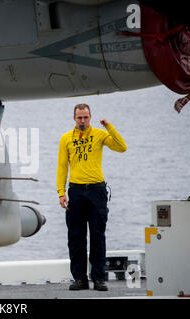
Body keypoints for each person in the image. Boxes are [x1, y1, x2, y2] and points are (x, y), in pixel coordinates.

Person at [56, 103, 127, 291]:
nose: (82, 121)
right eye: (79, 117)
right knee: (76, 237)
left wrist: (108, 126)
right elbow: (62, 166)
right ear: (74, 118)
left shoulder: (99, 134)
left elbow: (122, 147)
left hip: (97, 191)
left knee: (97, 235)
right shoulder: (66, 139)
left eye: (86, 117)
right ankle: (79, 279)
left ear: (90, 117)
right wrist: (61, 192)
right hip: (76, 191)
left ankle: (98, 278)